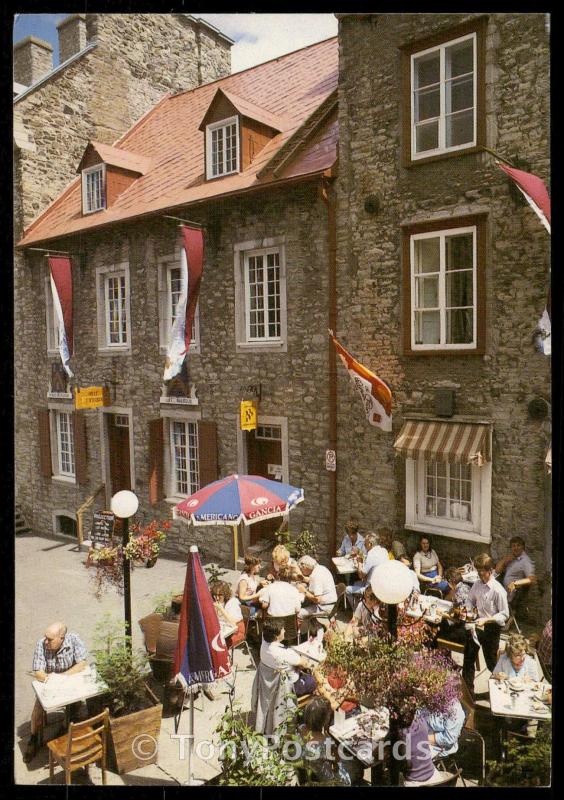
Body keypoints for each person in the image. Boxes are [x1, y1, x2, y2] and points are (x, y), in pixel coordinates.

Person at [25, 622, 88, 762]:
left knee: (76, 706)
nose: (46, 641)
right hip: (49, 684)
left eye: (50, 639)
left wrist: (62, 677)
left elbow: (82, 664)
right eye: (45, 637)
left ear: (62, 638)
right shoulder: (41, 644)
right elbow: (38, 671)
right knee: (37, 709)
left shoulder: (74, 639)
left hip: (68, 681)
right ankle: (34, 738)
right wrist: (52, 680)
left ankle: (65, 728)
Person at [462, 553, 509, 699]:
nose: (480, 576)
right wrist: (469, 610)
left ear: (490, 571)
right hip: (477, 626)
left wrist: (487, 620)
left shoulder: (498, 590)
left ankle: (500, 693)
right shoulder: (477, 584)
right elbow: (470, 600)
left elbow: (505, 614)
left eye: (483, 573)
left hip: (491, 629)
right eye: (478, 573)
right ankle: (468, 694)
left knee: (491, 663)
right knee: (468, 659)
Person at [300, 697, 354, 785]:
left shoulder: (301, 728)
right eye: (329, 715)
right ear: (324, 719)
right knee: (348, 777)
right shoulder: (326, 742)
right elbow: (336, 762)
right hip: (324, 778)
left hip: (308, 769)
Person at [259, 617, 316, 697]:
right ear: (276, 636)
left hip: (270, 682)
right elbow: (305, 664)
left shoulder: (264, 644)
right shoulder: (285, 653)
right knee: (313, 680)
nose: (284, 631)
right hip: (290, 687)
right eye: (282, 630)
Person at [399, 708, 448, 786]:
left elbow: (399, 764)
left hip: (415, 782)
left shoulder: (401, 733)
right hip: (435, 778)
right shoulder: (422, 722)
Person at [345, 532, 388, 608]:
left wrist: (359, 563)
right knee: (356, 583)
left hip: (371, 589)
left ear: (370, 544)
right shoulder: (384, 551)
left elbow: (361, 575)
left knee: (346, 590)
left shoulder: (371, 554)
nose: (364, 546)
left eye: (365, 544)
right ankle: (362, 606)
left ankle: (357, 612)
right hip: (382, 586)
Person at [495, 536, 536, 610]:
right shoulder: (512, 557)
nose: (516, 548)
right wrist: (505, 560)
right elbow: (497, 571)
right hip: (502, 589)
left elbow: (532, 579)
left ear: (523, 547)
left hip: (511, 594)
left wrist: (515, 583)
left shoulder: (525, 561)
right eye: (513, 546)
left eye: (518, 545)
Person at [210, 580, 245, 648]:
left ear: (225, 594)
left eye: (220, 595)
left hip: (236, 631)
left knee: (217, 645)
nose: (217, 598)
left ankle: (222, 658)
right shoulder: (219, 602)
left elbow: (233, 623)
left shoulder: (232, 602)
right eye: (215, 595)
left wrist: (221, 609)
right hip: (224, 629)